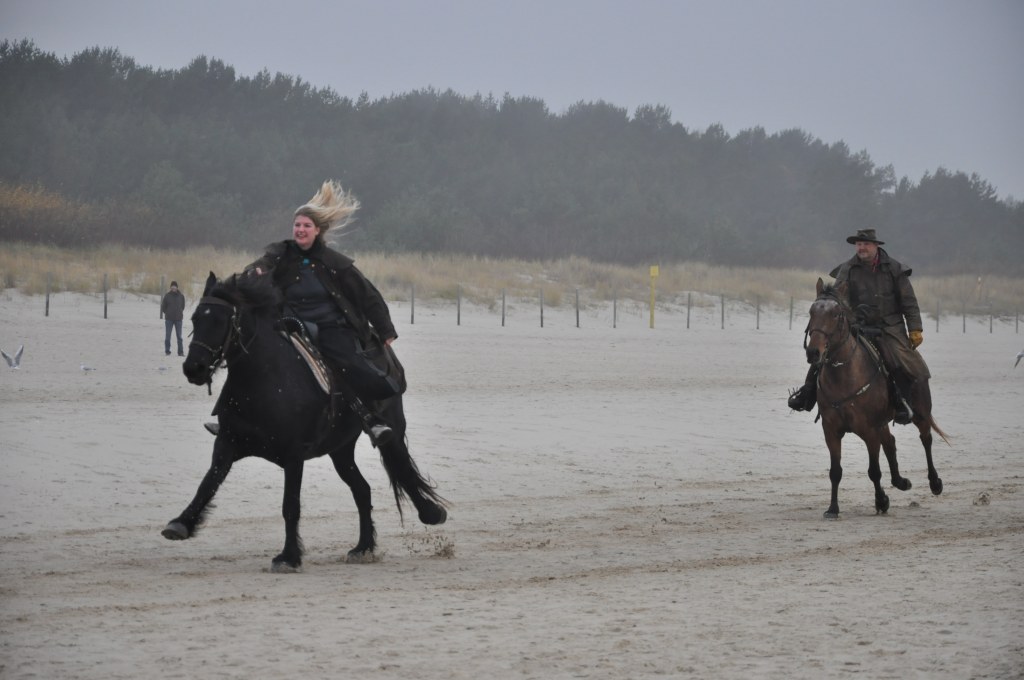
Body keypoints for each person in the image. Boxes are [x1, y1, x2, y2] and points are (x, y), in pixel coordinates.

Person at [241, 180, 400, 448]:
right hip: (289, 324)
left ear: (317, 230)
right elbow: (258, 267)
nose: (300, 230)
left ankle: (371, 420)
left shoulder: (335, 263)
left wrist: (385, 330)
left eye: (306, 225)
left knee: (347, 366)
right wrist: (252, 273)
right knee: (252, 357)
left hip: (330, 328)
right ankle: (235, 416)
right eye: (297, 225)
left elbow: (367, 294)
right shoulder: (280, 254)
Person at [788, 228, 929, 424]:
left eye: (866, 244)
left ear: (876, 246)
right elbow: (837, 299)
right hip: (856, 325)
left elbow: (909, 302)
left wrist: (915, 329)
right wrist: (847, 321)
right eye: (859, 244)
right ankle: (808, 393)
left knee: (903, 362)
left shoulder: (895, 269)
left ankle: (904, 403)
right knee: (824, 353)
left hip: (889, 327)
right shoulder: (847, 268)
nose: (861, 248)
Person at [161, 281, 186, 357]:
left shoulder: (181, 296)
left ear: (177, 287)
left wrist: (179, 312)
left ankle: (180, 352)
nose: (173, 288)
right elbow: (163, 307)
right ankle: (167, 351)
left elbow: (183, 306)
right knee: (168, 336)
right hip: (169, 319)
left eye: (175, 286)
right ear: (170, 287)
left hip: (178, 319)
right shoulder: (167, 296)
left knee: (179, 337)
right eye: (172, 286)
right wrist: (167, 313)